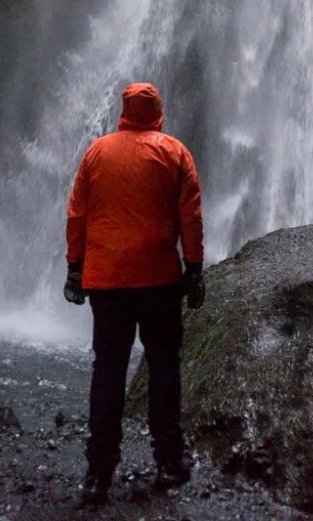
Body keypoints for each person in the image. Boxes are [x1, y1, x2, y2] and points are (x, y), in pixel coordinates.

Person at [63, 82, 205, 507]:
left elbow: (78, 214)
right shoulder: (175, 152)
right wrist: (194, 269)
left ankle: (98, 474)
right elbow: (191, 216)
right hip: (159, 279)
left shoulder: (97, 152)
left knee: (108, 369)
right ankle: (169, 462)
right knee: (164, 367)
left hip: (105, 280)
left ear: (124, 111)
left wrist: (74, 267)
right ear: (158, 111)